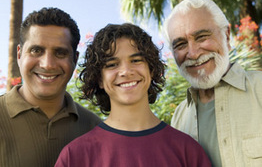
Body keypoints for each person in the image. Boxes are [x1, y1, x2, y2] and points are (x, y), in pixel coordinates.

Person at [55, 23, 211, 167]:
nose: (125, 72)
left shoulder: (187, 151)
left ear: (151, 70)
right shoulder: (74, 157)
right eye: (112, 64)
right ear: (99, 79)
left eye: (136, 60)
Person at [0, 7, 102, 167]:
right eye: (36, 50)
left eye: (60, 53)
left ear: (75, 59)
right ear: (19, 55)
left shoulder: (94, 128)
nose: (48, 64)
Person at [164, 0, 262, 167]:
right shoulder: (179, 117)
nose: (193, 53)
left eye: (201, 37)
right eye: (180, 45)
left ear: (227, 35)